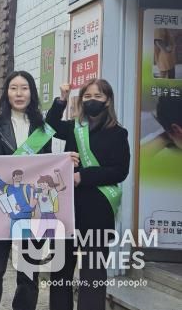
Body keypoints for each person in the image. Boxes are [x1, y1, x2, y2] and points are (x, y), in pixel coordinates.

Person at [0, 70, 66, 310]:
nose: (19, 93)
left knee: (28, 272)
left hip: (31, 208)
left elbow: (47, 162)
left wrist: (66, 161)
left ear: (32, 93)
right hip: (2, 210)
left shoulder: (40, 126)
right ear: (6, 93)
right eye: (14, 88)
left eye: (24, 88)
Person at [47, 79, 130, 310]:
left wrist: (83, 176)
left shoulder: (118, 133)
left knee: (93, 274)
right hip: (68, 209)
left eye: (98, 96)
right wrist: (61, 100)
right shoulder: (73, 128)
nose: (92, 100)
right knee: (61, 271)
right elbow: (49, 126)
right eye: (87, 96)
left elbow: (120, 170)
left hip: (99, 209)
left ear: (108, 101)